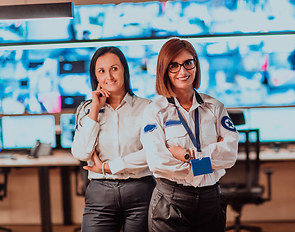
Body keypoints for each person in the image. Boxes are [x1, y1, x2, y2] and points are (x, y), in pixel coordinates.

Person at [140, 37, 239, 232]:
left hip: (211, 199)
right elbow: (158, 162)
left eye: (188, 63)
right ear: (164, 70)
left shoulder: (215, 107)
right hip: (171, 201)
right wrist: (210, 157)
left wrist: (188, 156)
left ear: (196, 64)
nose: (183, 71)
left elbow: (229, 155)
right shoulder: (155, 112)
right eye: (174, 66)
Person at [71, 46, 156, 232]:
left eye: (114, 68)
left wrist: (109, 166)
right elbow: (80, 152)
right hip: (100, 192)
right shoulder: (86, 110)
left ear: (124, 70)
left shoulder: (147, 107)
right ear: (95, 77)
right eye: (101, 71)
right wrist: (94, 109)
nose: (109, 76)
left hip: (141, 191)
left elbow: (152, 152)